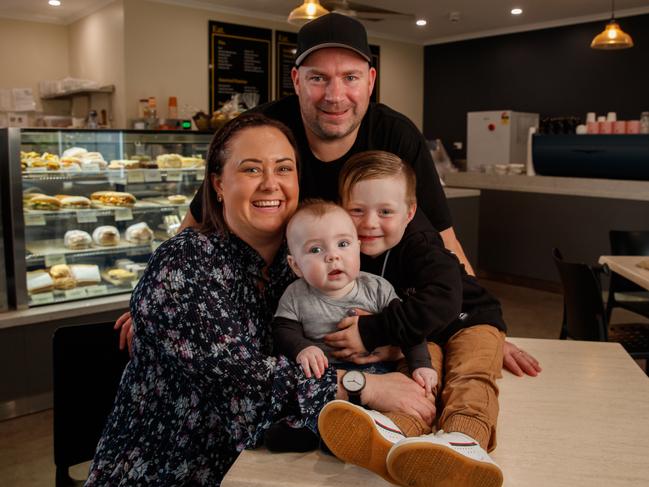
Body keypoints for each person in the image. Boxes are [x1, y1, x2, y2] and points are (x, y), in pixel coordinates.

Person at [114, 13, 539, 379]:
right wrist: (153, 298)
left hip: (377, 304)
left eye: (350, 78)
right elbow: (201, 216)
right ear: (297, 81)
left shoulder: (395, 135)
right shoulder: (264, 130)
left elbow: (444, 243)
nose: (335, 96)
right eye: (318, 78)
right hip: (293, 310)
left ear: (370, 81)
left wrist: (477, 326)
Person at [85, 114, 435, 486]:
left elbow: (383, 309)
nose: (271, 184)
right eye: (252, 169)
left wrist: (388, 344)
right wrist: (363, 385)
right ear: (218, 185)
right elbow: (243, 382)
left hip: (269, 461)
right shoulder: (186, 261)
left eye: (284, 168)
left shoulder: (301, 260)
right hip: (173, 468)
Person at [318, 150, 508, 487]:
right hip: (420, 335)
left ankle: (465, 442)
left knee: (470, 375)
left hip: (471, 319)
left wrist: (373, 330)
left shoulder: (421, 244)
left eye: (385, 212)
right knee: (417, 380)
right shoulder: (348, 248)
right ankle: (395, 433)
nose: (369, 223)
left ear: (410, 212)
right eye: (357, 210)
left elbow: (444, 300)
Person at [274, 199, 438, 389]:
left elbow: (407, 329)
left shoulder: (377, 288)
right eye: (316, 249)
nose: (333, 256)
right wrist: (302, 348)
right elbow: (282, 330)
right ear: (296, 266)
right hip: (326, 378)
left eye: (343, 244)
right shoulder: (295, 294)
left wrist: (421, 364)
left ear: (358, 248)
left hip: (380, 372)